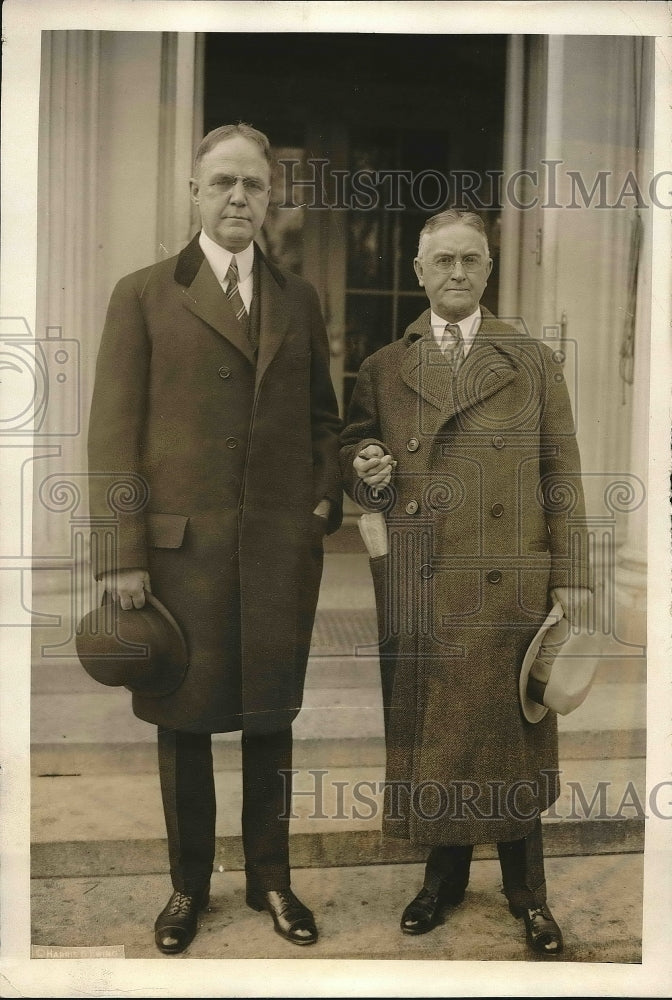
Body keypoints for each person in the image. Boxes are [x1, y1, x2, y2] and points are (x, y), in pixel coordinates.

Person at [87, 123, 342, 953]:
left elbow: (321, 422)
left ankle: (274, 881)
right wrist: (121, 554)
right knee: (184, 725)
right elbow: (113, 437)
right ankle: (187, 889)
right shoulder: (144, 293)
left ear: (272, 198)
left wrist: (314, 509)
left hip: (276, 556)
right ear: (195, 192)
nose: (240, 198)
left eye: (255, 186)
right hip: (178, 557)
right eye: (223, 183)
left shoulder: (300, 298)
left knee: (272, 721)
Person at [340, 209, 591, 956]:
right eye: (442, 260)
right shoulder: (384, 366)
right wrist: (367, 468)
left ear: (489, 271)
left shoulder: (533, 360)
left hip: (511, 578)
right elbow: (357, 454)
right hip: (424, 581)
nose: (456, 273)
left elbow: (563, 474)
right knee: (441, 737)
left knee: (514, 735)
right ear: (418, 272)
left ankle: (530, 894)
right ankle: (441, 878)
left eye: (471, 261)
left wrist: (573, 576)